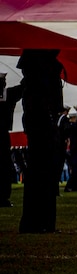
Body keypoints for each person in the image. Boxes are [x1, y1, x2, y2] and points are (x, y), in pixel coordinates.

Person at [17, 49, 64, 233]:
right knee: (41, 173)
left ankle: (40, 222)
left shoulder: (34, 80)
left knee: (42, 174)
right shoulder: (39, 81)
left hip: (41, 127)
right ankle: (39, 222)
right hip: (41, 127)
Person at [1, 73, 25, 207]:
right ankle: (3, 197)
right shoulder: (9, 95)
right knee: (4, 166)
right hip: (2, 134)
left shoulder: (9, 94)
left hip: (3, 134)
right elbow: (23, 87)